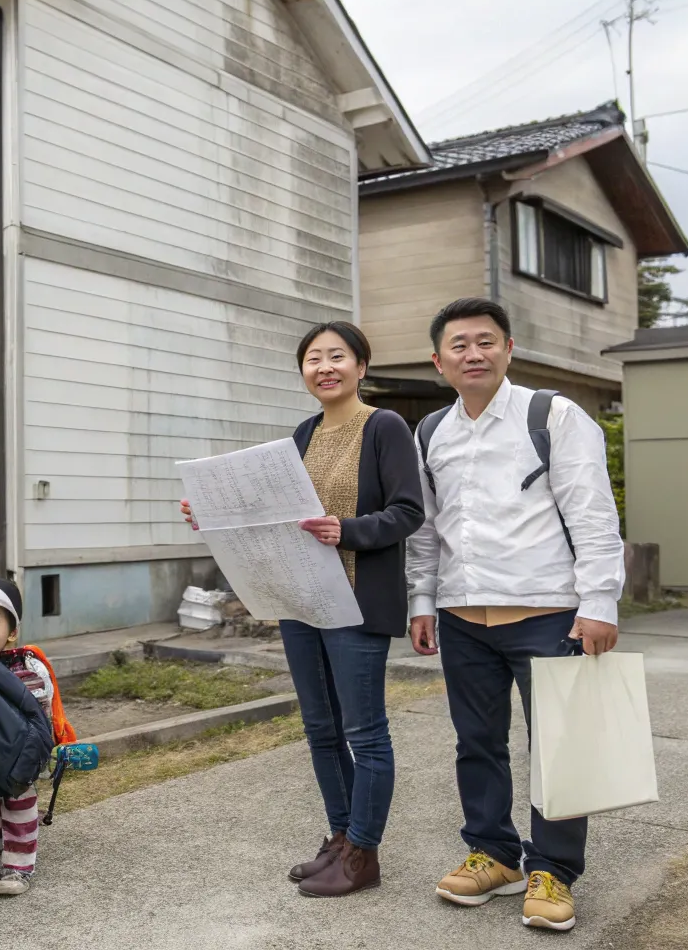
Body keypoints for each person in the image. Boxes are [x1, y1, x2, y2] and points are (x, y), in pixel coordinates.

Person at [180, 321, 423, 898]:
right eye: (314, 359)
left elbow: (409, 511)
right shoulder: (303, 433)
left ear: (362, 366)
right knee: (320, 728)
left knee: (364, 731)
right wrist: (211, 513)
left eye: (337, 356)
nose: (325, 367)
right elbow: (274, 514)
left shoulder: (385, 426)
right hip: (301, 599)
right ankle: (340, 839)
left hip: (357, 603)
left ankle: (364, 852)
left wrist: (348, 530)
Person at [407, 297, 625, 933]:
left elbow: (592, 512)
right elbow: (426, 530)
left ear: (509, 349)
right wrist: (422, 599)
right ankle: (495, 855)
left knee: (558, 748)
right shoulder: (431, 432)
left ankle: (552, 869)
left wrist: (600, 602)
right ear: (438, 361)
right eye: (458, 345)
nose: (472, 354)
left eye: (485, 341)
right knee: (476, 742)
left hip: (548, 614)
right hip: (463, 617)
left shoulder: (552, 415)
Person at [0, 576, 69, 897]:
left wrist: (32, 761)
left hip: (19, 757)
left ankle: (18, 868)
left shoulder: (25, 667)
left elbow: (39, 716)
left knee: (19, 809)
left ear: (11, 631)